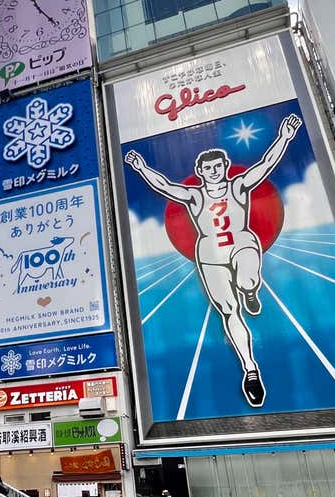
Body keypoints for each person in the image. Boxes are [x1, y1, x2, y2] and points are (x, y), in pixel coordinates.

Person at [125, 113, 302, 408]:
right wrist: (142, 168)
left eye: (217, 166)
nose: (213, 171)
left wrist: (284, 137)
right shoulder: (194, 197)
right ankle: (250, 369)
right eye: (207, 168)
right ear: (201, 171)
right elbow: (166, 186)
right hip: (209, 255)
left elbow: (266, 165)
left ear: (224, 167)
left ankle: (250, 290)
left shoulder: (238, 185)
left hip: (241, 243)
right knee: (229, 312)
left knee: (248, 279)